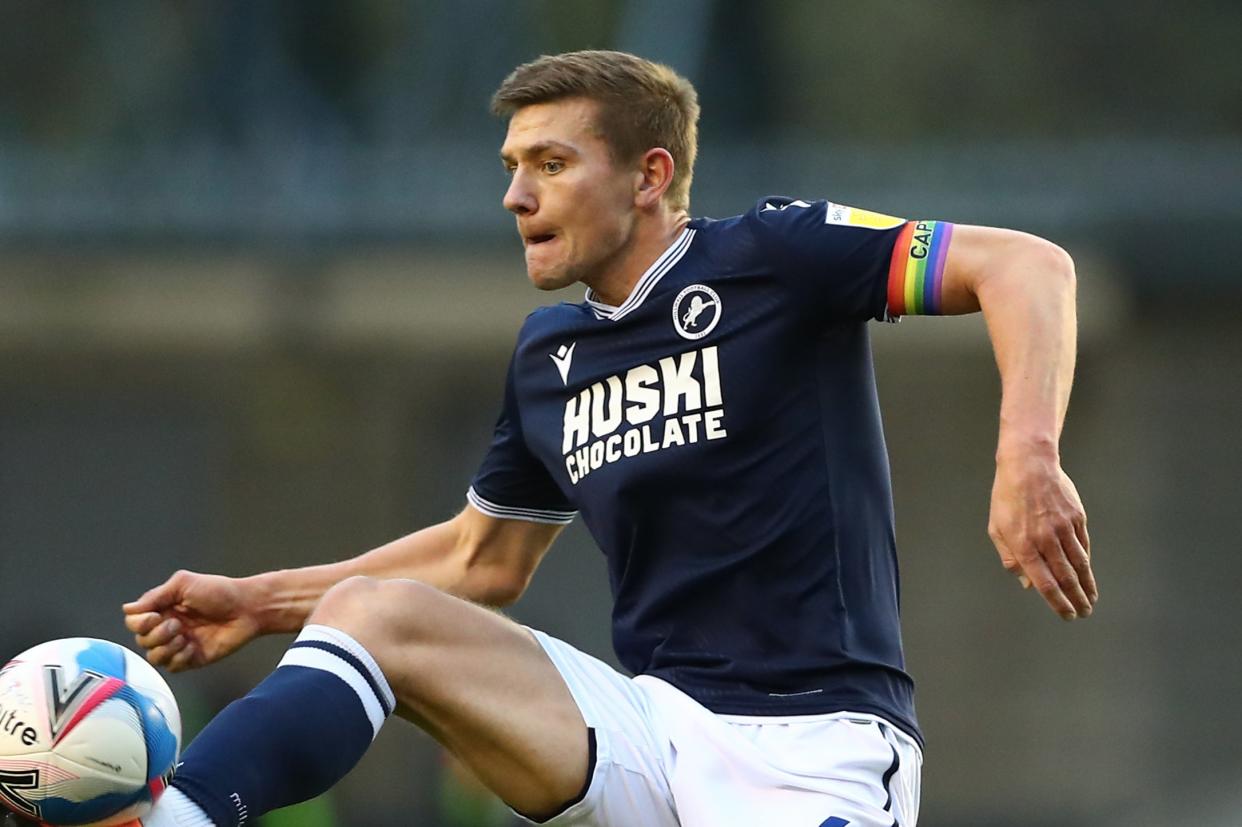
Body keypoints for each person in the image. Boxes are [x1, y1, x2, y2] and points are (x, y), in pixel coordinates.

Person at [21, 50, 1098, 827]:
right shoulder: (550, 355)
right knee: (375, 614)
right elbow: (480, 560)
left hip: (814, 746)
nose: (514, 194)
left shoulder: (771, 255)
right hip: (649, 726)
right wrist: (262, 601)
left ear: (650, 176)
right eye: (510, 165)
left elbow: (1026, 267)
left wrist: (1027, 456)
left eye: (548, 163)